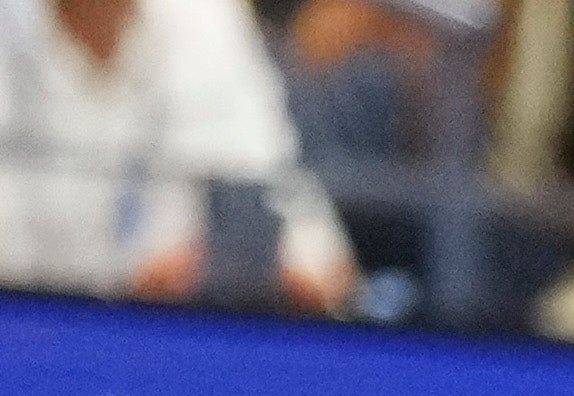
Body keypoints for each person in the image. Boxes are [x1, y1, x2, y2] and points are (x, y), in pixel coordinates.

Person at [0, 0, 350, 299]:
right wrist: (127, 285)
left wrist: (228, 266)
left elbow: (312, 254)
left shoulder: (205, 15)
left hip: (168, 342)